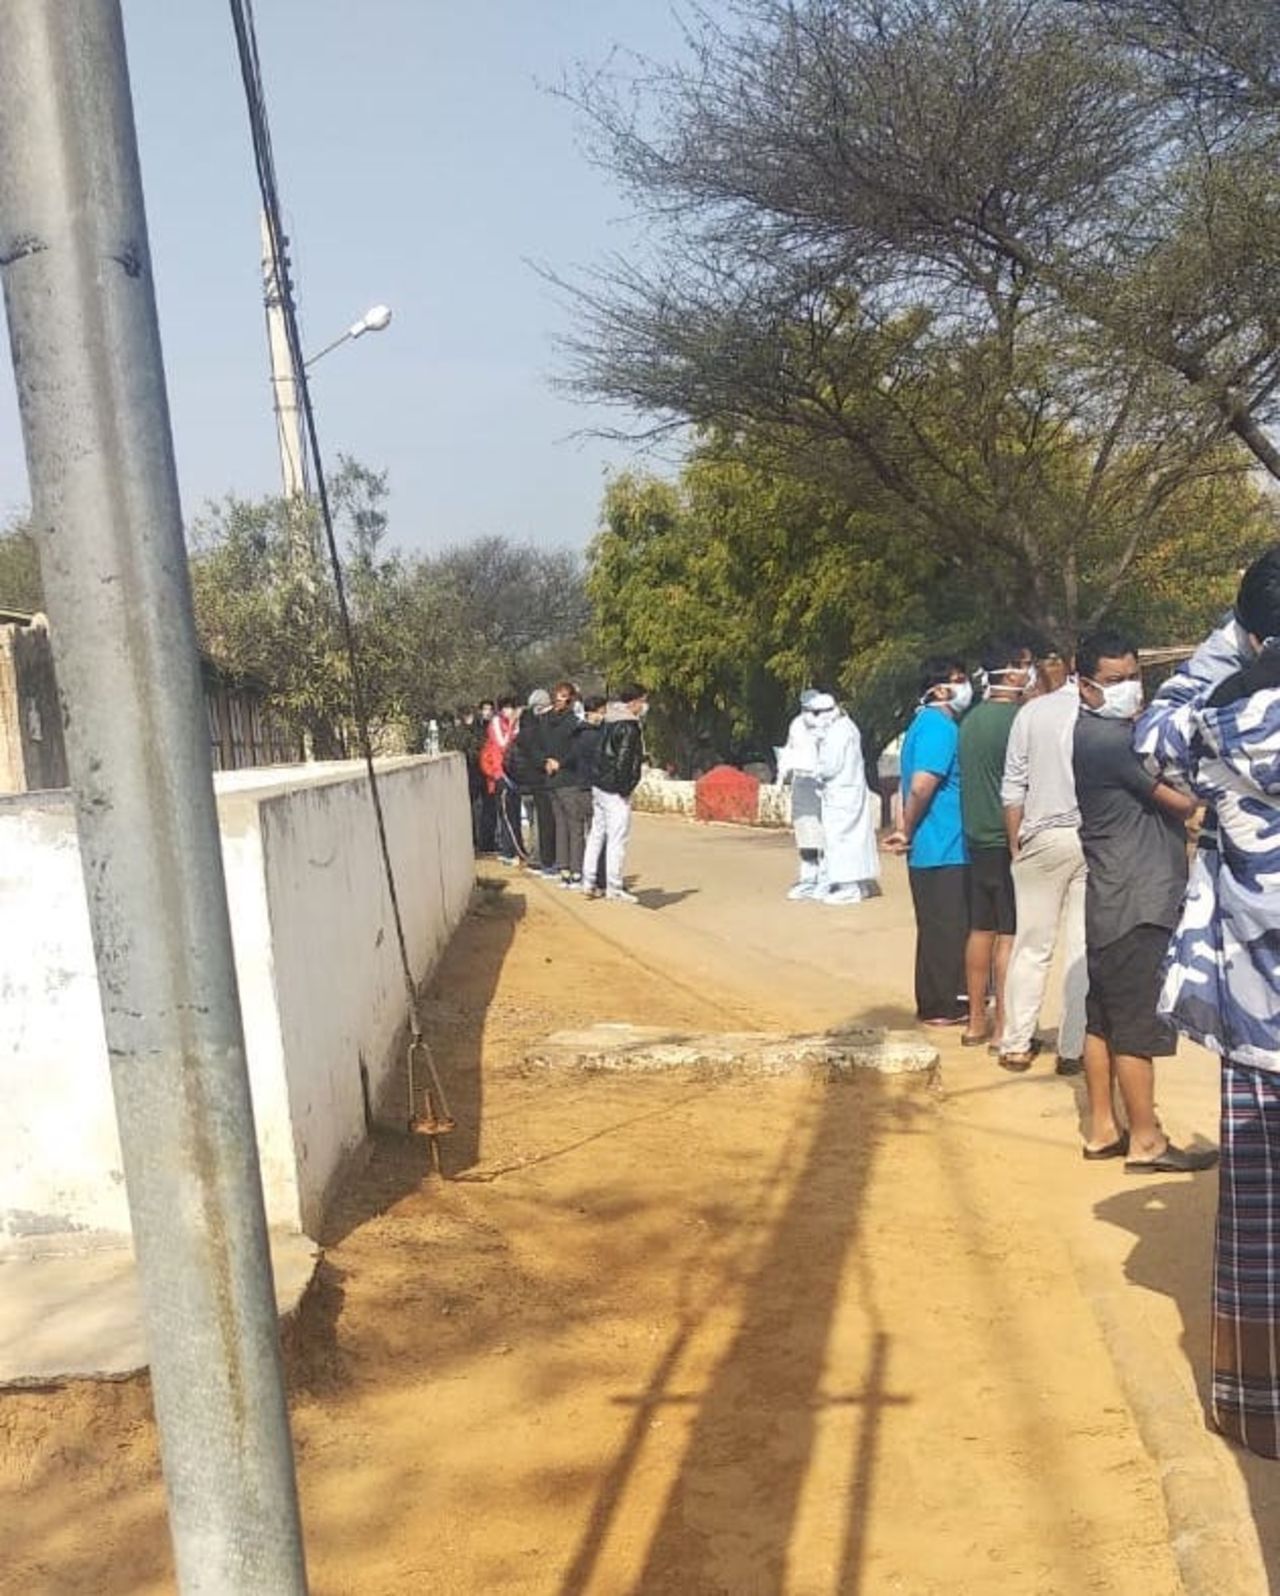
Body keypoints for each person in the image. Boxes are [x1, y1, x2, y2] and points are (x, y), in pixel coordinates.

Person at [1134, 547, 1280, 1456]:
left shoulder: (1215, 723)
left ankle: (1253, 1401)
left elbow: (1149, 732)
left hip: (1256, 1009)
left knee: (1259, 1214)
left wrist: (1237, 639)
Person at [1071, 628, 1216, 1177]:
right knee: (1135, 1026)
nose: (1129, 689)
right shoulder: (1112, 742)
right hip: (1139, 901)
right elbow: (1183, 805)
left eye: (1134, 678)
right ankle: (1147, 1139)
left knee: (1103, 1019)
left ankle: (1103, 1128)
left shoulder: (1090, 733)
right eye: (1114, 681)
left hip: (1110, 899)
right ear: (1086, 686)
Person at [998, 652, 1088, 1074]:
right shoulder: (1100, 713)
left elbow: (1013, 784)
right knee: (1082, 946)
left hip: (1040, 836)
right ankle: (1074, 1047)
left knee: (1031, 944)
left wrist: (1016, 841)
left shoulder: (1031, 713)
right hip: (1091, 838)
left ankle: (1016, 1042)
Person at [885, 656, 971, 1025]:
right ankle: (944, 1004)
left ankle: (935, 1001)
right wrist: (906, 827)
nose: (968, 686)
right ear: (939, 688)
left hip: (933, 844)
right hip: (944, 843)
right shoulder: (940, 728)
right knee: (948, 927)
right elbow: (921, 785)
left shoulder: (922, 725)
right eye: (960, 679)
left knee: (936, 925)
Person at [958, 640, 1031, 1049]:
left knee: (980, 929)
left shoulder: (969, 721)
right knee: (1009, 934)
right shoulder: (1017, 721)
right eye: (1025, 665)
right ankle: (1003, 1025)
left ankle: (974, 1022)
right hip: (1009, 839)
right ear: (1011, 670)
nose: (1029, 672)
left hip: (976, 838)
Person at [808, 693, 880, 904]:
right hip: (849, 792)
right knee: (855, 837)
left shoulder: (837, 733)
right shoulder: (847, 726)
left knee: (840, 839)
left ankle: (849, 887)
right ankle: (860, 883)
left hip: (840, 794)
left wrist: (813, 770)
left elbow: (830, 766)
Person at [582, 682, 648, 904]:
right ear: (635, 702)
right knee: (617, 839)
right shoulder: (628, 726)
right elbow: (624, 760)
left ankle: (588, 881)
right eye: (643, 701)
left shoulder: (607, 720)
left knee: (596, 834)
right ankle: (614, 886)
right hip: (614, 790)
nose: (644, 706)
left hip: (599, 785)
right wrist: (624, 788)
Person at [775, 689, 825, 899]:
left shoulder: (827, 725)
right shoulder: (796, 724)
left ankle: (825, 877)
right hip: (801, 782)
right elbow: (789, 749)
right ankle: (808, 876)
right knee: (804, 829)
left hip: (821, 784)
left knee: (824, 830)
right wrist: (782, 773)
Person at [542, 681, 588, 887]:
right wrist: (560, 763)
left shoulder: (543, 720)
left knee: (561, 824)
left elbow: (538, 746)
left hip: (550, 777)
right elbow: (576, 751)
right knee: (575, 825)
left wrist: (547, 762)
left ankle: (564, 869)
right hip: (568, 778)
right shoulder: (573, 723)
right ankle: (576, 869)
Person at [508, 688, 557, 875]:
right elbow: (538, 756)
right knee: (539, 822)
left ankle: (534, 857)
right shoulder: (534, 730)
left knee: (531, 820)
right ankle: (538, 859)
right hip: (536, 782)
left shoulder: (522, 727)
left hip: (522, 783)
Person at [480, 697, 523, 863]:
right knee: (506, 814)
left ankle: (516, 848)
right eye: (506, 708)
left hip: (514, 774)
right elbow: (503, 744)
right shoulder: (497, 723)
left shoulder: (513, 724)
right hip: (500, 774)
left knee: (514, 813)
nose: (509, 711)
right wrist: (512, 724)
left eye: (511, 708)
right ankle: (507, 851)